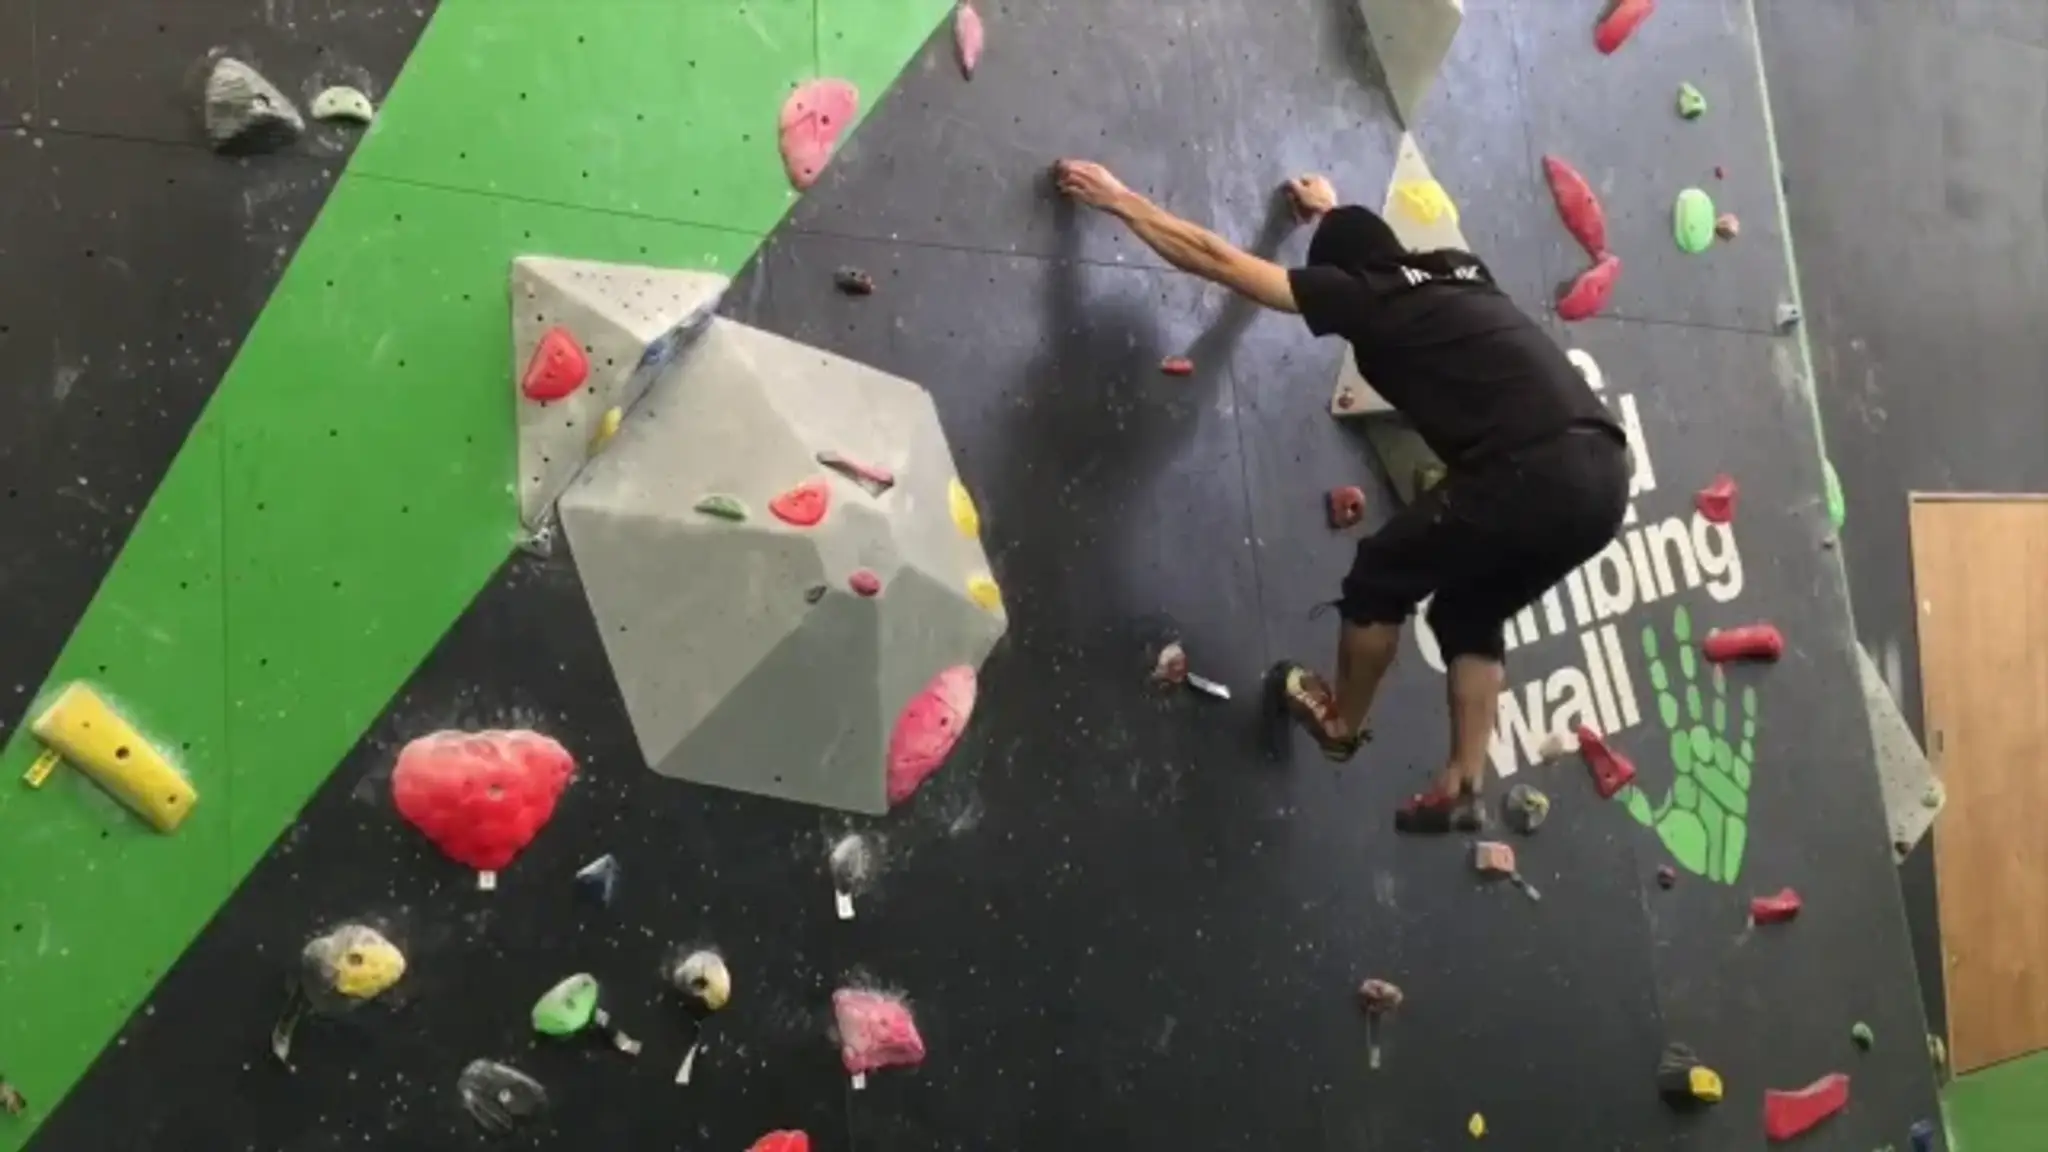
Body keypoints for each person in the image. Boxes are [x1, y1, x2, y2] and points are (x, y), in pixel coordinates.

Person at [1053, 159, 1628, 832]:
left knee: (1380, 577)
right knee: (1469, 613)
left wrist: (1122, 200)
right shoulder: (1456, 268)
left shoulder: (1367, 299)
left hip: (1534, 468)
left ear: (1344, 278)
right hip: (1604, 473)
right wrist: (1329, 210)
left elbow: (1220, 261)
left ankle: (1340, 724)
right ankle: (1465, 780)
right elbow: (1374, 250)